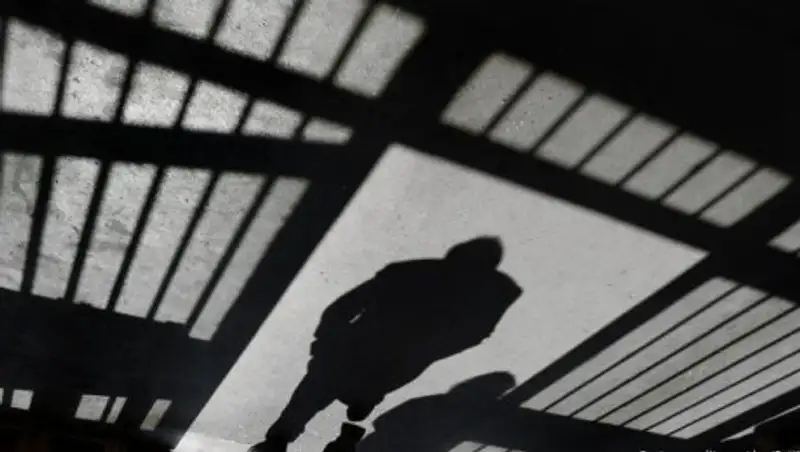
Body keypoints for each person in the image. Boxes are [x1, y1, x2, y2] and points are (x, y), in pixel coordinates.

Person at [250, 237, 522, 452]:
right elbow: (477, 333)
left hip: (369, 351)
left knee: (314, 392)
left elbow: (343, 307)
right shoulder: (482, 294)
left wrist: (324, 342)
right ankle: (359, 400)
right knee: (323, 390)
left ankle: (289, 434)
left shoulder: (408, 274)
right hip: (385, 355)